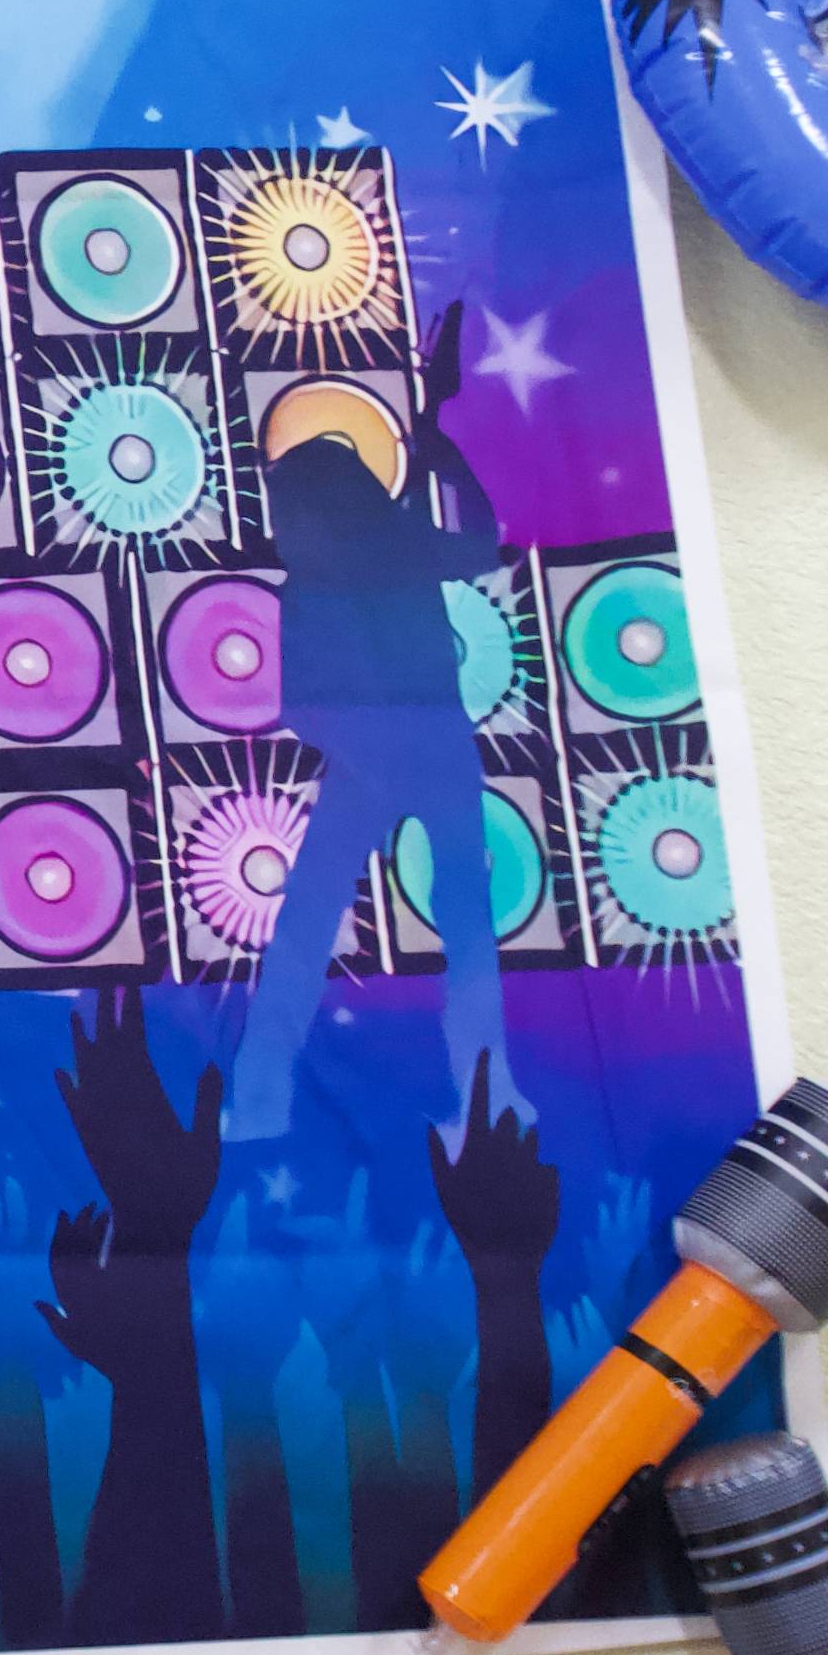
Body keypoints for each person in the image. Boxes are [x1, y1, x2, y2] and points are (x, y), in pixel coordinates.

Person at [227, 304, 524, 1145]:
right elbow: (482, 539)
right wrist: (436, 442)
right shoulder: (395, 553)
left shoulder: (321, 580)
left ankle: (265, 1100)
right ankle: (486, 1094)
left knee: (317, 926)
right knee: (461, 922)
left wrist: (363, 752)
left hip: (383, 759)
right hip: (426, 749)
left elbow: (299, 707)